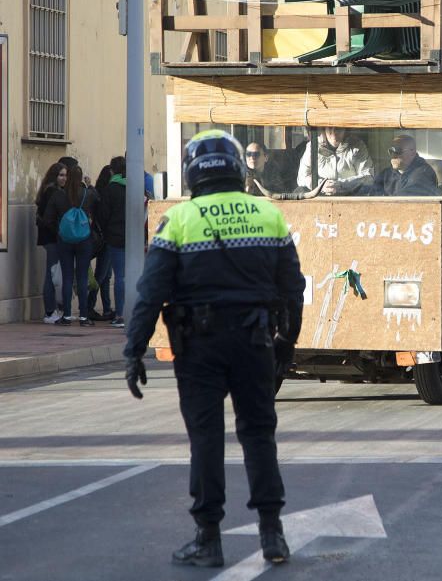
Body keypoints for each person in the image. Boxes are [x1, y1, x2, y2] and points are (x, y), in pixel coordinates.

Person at [123, 129, 305, 568]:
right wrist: (287, 341)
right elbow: (294, 288)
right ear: (239, 168)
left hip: (199, 347)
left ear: (192, 173)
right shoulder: (269, 215)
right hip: (256, 341)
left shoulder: (180, 220)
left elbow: (151, 292)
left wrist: (134, 350)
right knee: (259, 434)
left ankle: (208, 539)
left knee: (206, 439)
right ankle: (272, 534)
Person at [43, 165, 99, 326]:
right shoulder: (88, 194)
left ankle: (66, 315)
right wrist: (91, 186)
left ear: (68, 177)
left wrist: (60, 230)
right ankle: (83, 316)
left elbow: (47, 219)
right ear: (81, 178)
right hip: (84, 239)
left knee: (67, 277)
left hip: (65, 241)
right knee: (82, 277)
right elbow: (99, 205)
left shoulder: (58, 195)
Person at [296, 126, 374, 195]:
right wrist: (321, 185)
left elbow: (368, 177)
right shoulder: (313, 146)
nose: (334, 133)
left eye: (338, 128)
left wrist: (342, 185)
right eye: (330, 128)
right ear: (324, 129)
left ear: (345, 129)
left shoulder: (357, 146)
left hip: (351, 199)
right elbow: (302, 178)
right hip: (320, 198)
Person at [96, 157, 127, 327]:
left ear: (112, 171)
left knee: (119, 277)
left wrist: (106, 232)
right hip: (134, 237)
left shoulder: (110, 190)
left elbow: (103, 215)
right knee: (132, 275)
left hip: (115, 238)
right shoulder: (136, 187)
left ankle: (120, 314)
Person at [35, 163, 67, 323]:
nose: (64, 178)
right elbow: (50, 218)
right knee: (52, 273)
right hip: (52, 238)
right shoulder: (52, 192)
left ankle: (55, 310)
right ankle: (49, 311)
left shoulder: (49, 190)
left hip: (50, 237)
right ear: (54, 176)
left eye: (65, 175)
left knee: (54, 273)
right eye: (61, 175)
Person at [368, 134, 439, 196]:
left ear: (412, 153)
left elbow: (406, 201)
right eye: (391, 151)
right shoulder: (386, 174)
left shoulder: (424, 173)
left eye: (397, 151)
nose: (393, 155)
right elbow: (372, 197)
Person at [88, 165, 115, 322]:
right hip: (105, 239)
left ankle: (106, 308)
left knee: (106, 276)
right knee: (102, 275)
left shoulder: (97, 193)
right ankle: (90, 306)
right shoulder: (104, 196)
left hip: (102, 238)